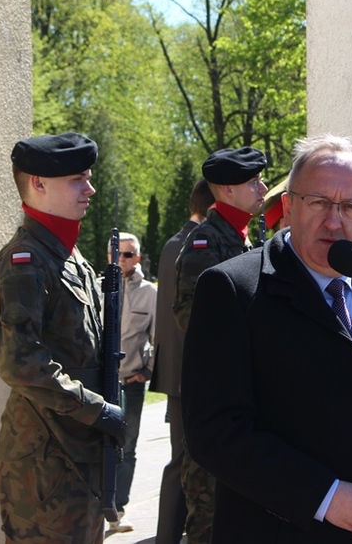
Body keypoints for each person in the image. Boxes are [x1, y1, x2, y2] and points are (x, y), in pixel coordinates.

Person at [181, 134, 352, 543]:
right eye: (319, 203)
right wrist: (327, 497)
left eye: (350, 207)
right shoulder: (233, 289)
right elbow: (216, 431)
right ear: (290, 207)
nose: (334, 221)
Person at [0, 132, 126, 544]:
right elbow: (20, 362)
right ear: (38, 184)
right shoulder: (23, 262)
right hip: (44, 467)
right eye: (78, 179)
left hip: (78, 457)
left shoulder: (68, 256)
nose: (90, 188)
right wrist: (96, 409)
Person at [173, 146, 268, 544]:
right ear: (226, 190)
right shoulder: (205, 245)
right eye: (253, 181)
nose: (263, 187)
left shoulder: (246, 241)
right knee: (210, 524)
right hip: (218, 408)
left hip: (248, 407)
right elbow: (195, 321)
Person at [149, 177, 214, 544]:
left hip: (177, 369)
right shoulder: (196, 244)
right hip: (190, 370)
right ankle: (168, 537)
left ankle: (167, 536)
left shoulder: (176, 243)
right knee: (184, 464)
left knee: (180, 462)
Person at [103, 232, 158, 533]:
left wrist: (145, 372)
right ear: (109, 257)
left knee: (127, 447)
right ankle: (96, 505)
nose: (122, 259)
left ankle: (117, 511)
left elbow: (158, 336)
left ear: (137, 257)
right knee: (98, 445)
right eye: (117, 254)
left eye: (128, 254)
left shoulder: (150, 293)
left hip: (131, 382)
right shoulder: (99, 287)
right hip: (100, 381)